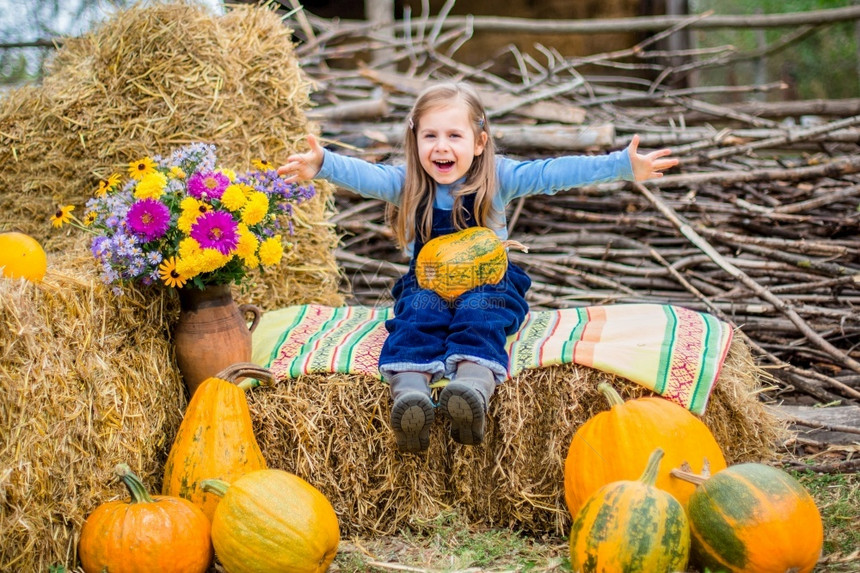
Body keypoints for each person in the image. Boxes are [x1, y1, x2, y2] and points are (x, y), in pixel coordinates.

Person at [278, 82, 677, 453]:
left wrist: (621, 165)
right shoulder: (408, 183)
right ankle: (410, 394)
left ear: (480, 142)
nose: (441, 146)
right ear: (415, 140)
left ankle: (471, 387)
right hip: (430, 283)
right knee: (416, 316)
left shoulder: (499, 176)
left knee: (480, 313)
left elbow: (555, 172)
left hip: (488, 282)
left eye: (454, 136)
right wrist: (324, 163)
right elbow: (365, 175)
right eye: (430, 135)